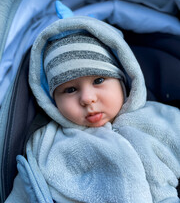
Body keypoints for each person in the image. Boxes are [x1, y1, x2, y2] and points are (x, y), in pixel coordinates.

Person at [5, 14, 180, 203]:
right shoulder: (49, 144)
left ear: (122, 80)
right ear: (51, 100)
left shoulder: (161, 119)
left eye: (98, 80)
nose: (87, 99)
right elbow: (27, 190)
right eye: (70, 89)